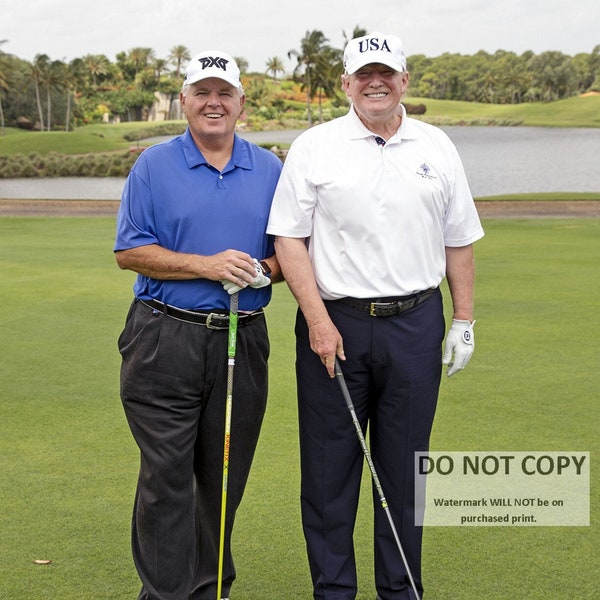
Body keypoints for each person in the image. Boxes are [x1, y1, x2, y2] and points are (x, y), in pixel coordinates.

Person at [266, 31, 484, 600]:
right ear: (346, 83)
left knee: (405, 474)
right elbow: (289, 239)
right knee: (328, 474)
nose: (375, 82)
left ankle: (401, 590)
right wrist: (316, 320)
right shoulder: (315, 146)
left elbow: (459, 240)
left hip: (415, 325)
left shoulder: (437, 147)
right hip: (331, 326)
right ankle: (334, 592)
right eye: (364, 74)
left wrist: (463, 320)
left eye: (386, 72)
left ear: (404, 80)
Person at [114, 50, 282, 600]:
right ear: (184, 101)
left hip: (241, 338)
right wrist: (206, 265)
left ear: (241, 103)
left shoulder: (271, 169)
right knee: (166, 479)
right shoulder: (153, 165)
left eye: (225, 93)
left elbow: (290, 257)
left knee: (222, 478)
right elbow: (130, 251)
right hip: (163, 338)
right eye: (202, 92)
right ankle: (165, 594)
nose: (214, 102)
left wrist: (262, 270)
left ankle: (211, 589)